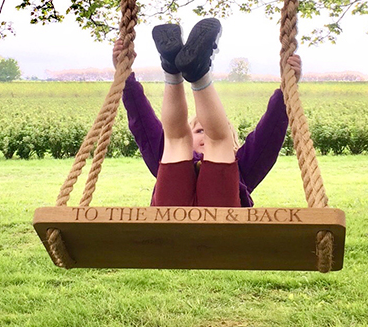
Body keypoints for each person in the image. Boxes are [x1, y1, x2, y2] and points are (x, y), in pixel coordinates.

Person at [113, 19, 302, 207]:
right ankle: (196, 73)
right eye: (199, 131)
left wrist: (286, 91)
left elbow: (267, 140)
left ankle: (172, 69)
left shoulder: (241, 165)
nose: (205, 136)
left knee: (176, 140)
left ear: (236, 143)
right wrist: (126, 79)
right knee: (210, 141)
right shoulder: (240, 170)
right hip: (217, 220)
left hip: (173, 214)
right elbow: (144, 123)